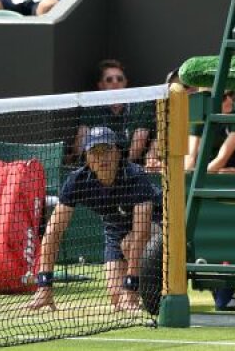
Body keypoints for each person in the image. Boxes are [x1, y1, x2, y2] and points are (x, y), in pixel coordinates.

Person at [27, 126, 156, 313]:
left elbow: (142, 234)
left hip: (158, 227)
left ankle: (155, 287)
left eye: (107, 150)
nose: (101, 157)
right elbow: (53, 232)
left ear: (118, 152)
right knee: (116, 298)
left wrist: (131, 288)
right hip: (116, 233)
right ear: (87, 157)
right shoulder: (77, 180)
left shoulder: (136, 177)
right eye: (94, 152)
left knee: (130, 245)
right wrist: (44, 285)